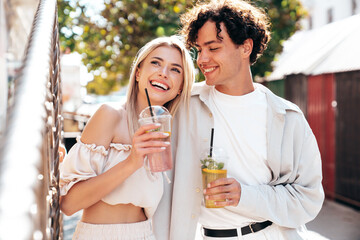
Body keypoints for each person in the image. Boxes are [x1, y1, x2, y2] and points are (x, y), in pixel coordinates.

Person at [153, 1, 324, 239]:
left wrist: (244, 195)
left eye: (213, 48)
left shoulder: (288, 117)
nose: (202, 59)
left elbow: (309, 200)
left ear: (245, 48)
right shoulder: (183, 105)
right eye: (199, 49)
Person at [59, 36, 195, 240]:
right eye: (156, 62)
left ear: (181, 86)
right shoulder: (110, 115)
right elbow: (69, 204)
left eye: (175, 69)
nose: (163, 73)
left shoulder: (171, 132)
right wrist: (132, 162)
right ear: (138, 73)